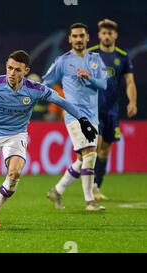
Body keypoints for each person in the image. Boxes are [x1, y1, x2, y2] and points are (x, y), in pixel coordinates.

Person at [0, 50, 97, 227]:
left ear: (26, 71)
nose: (12, 73)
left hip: (16, 134)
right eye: (9, 68)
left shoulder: (35, 89)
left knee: (14, 173)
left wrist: (82, 120)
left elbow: (62, 101)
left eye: (17, 70)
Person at [44, 23, 108, 211]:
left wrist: (89, 78)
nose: (78, 39)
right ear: (70, 39)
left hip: (93, 115)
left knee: (83, 158)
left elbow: (104, 85)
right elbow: (46, 81)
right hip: (74, 115)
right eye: (75, 36)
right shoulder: (62, 61)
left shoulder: (96, 60)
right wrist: (60, 101)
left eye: (82, 36)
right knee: (90, 152)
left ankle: (57, 190)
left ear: (87, 38)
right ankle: (89, 201)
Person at [87, 19, 138, 200]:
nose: (107, 36)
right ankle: (90, 188)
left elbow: (129, 82)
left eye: (110, 33)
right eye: (104, 33)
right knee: (97, 144)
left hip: (112, 110)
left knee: (105, 150)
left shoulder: (122, 56)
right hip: (93, 108)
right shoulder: (90, 54)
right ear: (99, 35)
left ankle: (96, 186)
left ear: (115, 35)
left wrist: (132, 102)